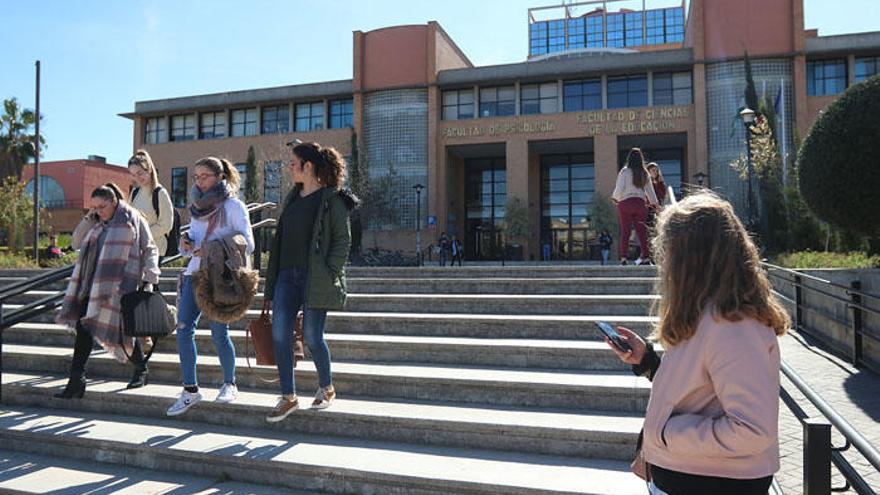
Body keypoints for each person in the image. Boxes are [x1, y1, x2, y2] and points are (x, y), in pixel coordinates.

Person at [605, 191, 789, 495]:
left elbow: (754, 431)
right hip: (691, 476)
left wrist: (666, 433)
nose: (665, 263)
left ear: (694, 257)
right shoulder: (709, 312)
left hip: (710, 483)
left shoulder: (734, 326)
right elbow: (699, 388)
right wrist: (648, 363)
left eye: (670, 251)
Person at [263, 141, 357, 422]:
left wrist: (329, 271)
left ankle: (326, 387)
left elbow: (343, 241)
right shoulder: (292, 199)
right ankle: (288, 396)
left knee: (314, 337)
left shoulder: (333, 200)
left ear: (309, 166)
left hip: (316, 276)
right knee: (280, 334)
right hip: (286, 276)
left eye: (294, 163)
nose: (290, 168)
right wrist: (271, 283)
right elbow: (280, 242)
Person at [166, 157, 254, 417]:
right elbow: (195, 237)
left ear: (220, 178)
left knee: (219, 332)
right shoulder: (197, 208)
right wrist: (187, 242)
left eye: (204, 176)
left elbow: (247, 242)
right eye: (196, 176)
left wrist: (213, 249)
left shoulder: (234, 206)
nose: (199, 181)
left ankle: (230, 383)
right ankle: (190, 390)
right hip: (195, 274)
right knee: (183, 329)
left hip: (220, 278)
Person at [55, 183, 160, 398]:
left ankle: (141, 368)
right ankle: (77, 380)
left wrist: (150, 278)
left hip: (122, 284)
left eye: (101, 207)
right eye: (93, 207)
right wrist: (88, 219)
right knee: (84, 329)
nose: (97, 211)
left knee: (123, 333)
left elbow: (149, 248)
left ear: (114, 202)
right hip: (92, 285)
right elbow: (75, 242)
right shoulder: (95, 223)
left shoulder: (132, 218)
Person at [612, 148, 659, 265]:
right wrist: (655, 204)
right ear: (641, 158)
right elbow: (650, 191)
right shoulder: (644, 173)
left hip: (625, 203)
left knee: (625, 231)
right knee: (641, 232)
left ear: (629, 158)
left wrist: (615, 198)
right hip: (640, 203)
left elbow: (620, 187)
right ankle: (647, 257)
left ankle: (623, 258)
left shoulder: (625, 171)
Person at [128, 150, 174, 259]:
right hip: (136, 248)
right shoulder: (135, 193)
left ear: (149, 169)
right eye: (133, 175)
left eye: (140, 173)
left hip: (155, 249)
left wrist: (142, 234)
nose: (137, 178)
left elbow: (166, 225)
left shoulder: (160, 193)